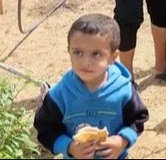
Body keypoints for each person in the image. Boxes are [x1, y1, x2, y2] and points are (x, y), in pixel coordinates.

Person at [34, 13, 149, 159]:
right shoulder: (60, 95)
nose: (85, 62)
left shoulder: (123, 90)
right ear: (69, 51)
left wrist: (122, 140)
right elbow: (45, 129)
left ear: (113, 57)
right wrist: (68, 146)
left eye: (96, 54)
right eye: (78, 52)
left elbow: (138, 119)